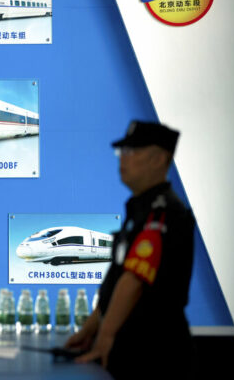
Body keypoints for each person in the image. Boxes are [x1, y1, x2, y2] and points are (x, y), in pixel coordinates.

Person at [65, 120, 195, 379]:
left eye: (131, 152)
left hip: (155, 357)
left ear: (159, 159)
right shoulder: (140, 210)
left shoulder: (164, 212)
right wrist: (89, 330)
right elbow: (115, 281)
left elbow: (133, 279)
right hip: (131, 353)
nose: (122, 159)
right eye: (121, 152)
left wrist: (105, 336)